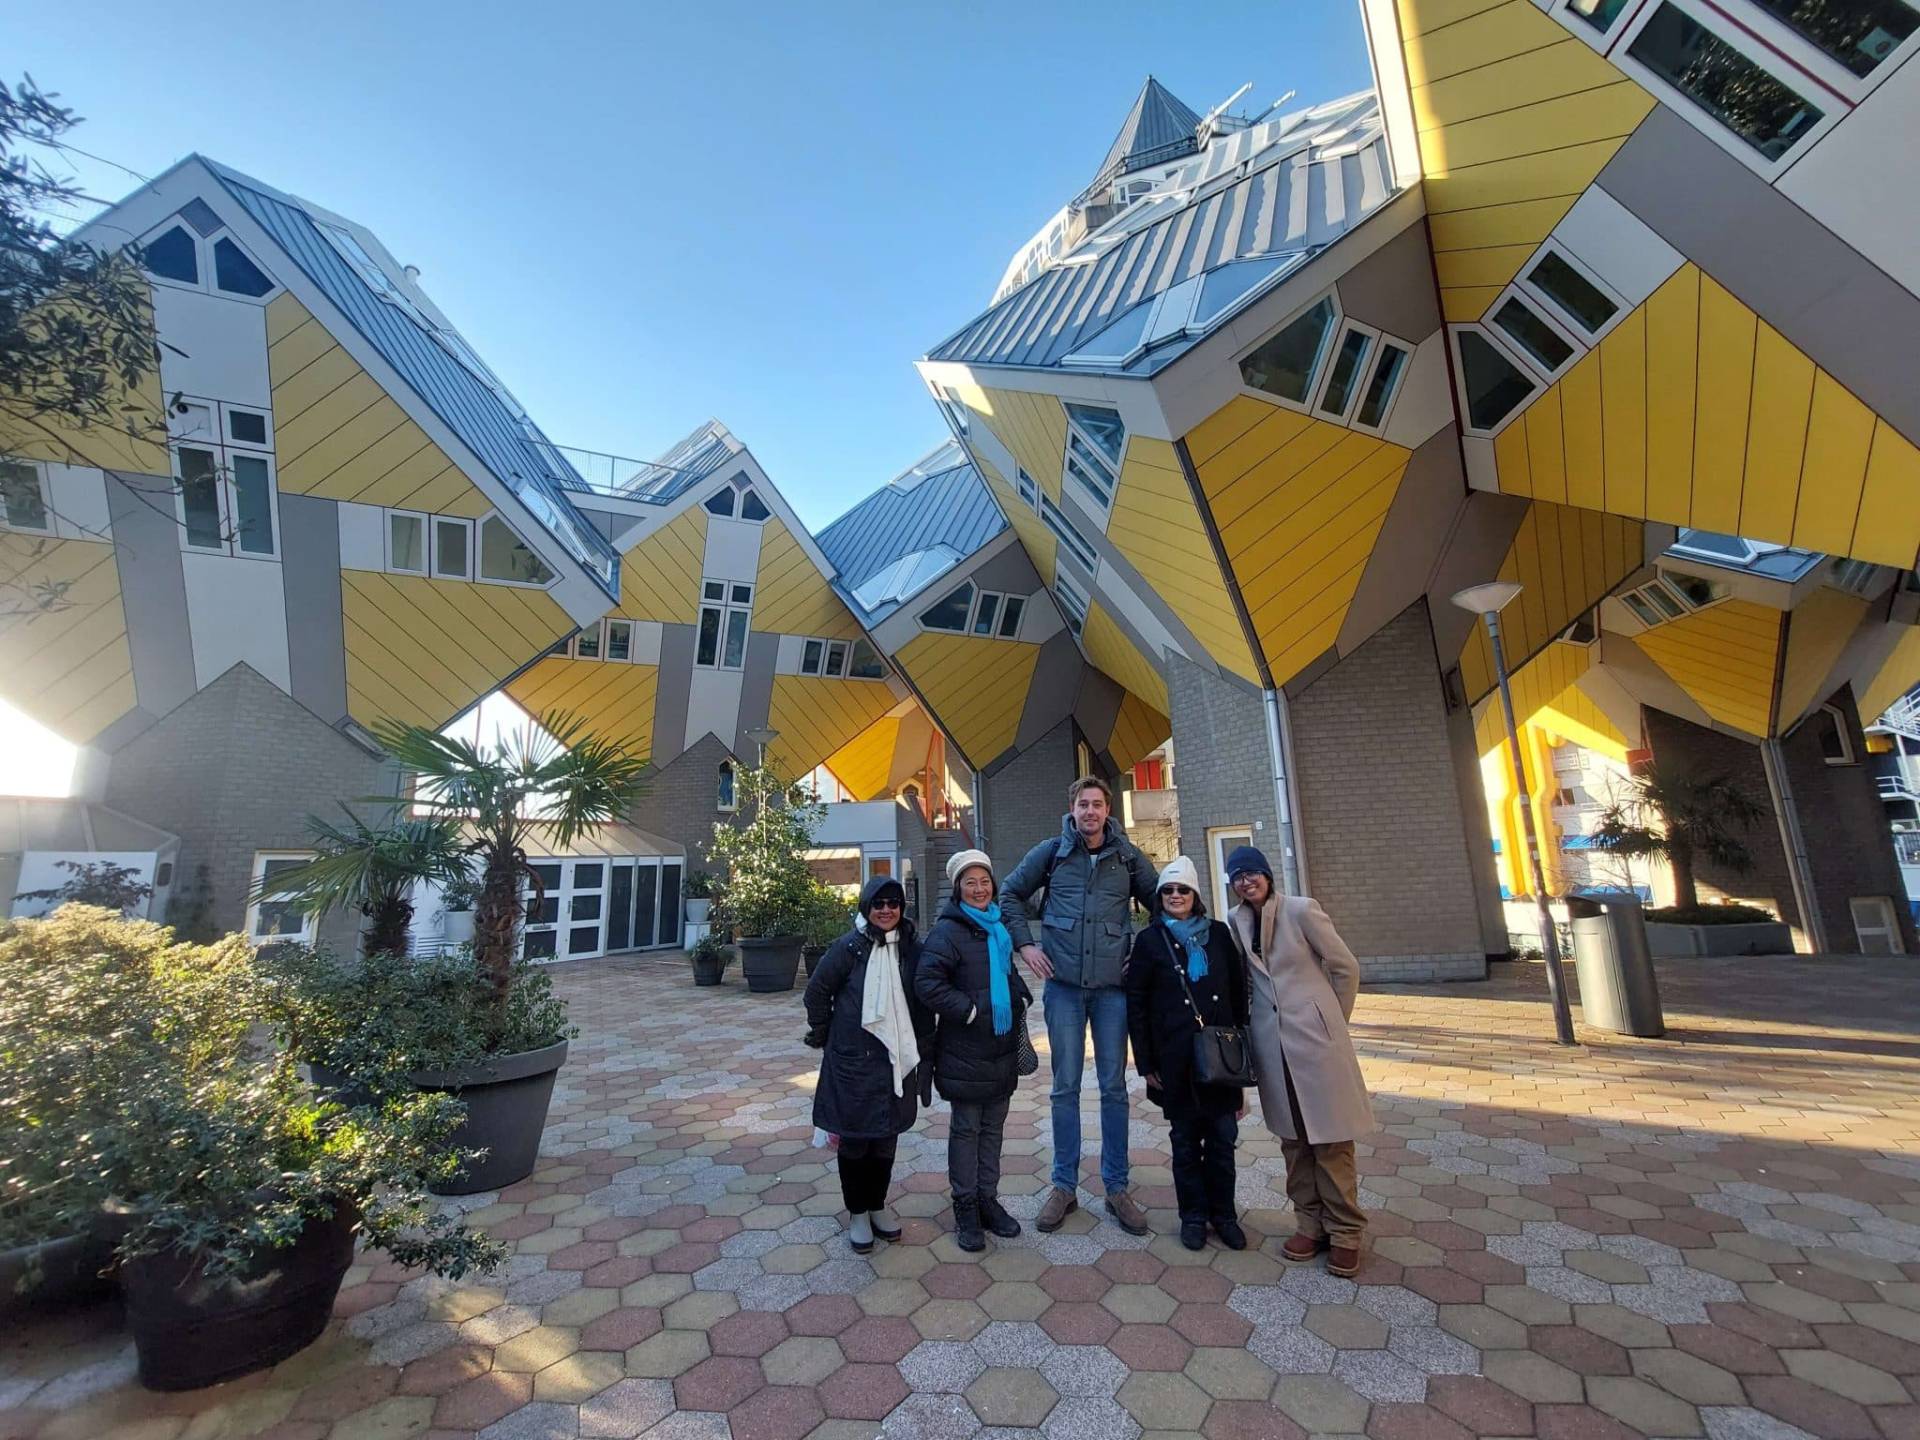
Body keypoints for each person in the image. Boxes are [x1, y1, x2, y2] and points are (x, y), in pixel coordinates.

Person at [1002, 776, 1158, 1236]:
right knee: (1064, 1088)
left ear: (1108, 810)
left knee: (1113, 1089)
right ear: (1071, 808)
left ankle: (1116, 1187)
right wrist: (1025, 946)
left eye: (1097, 805)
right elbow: (1009, 894)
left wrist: (1142, 951)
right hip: (1065, 990)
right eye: (1083, 804)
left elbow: (1165, 903)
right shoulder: (1050, 853)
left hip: (1113, 992)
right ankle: (1063, 1186)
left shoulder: (1127, 857)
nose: (1090, 811)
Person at [1223, 845, 1375, 1278]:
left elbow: (1345, 967)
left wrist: (1330, 1019)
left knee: (1330, 1137)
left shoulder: (1301, 910)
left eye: (1252, 872)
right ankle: (1310, 1224)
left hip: (1315, 1042)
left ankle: (1345, 1231)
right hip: (1272, 1045)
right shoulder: (1237, 921)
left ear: (1267, 874)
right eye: (1238, 876)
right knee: (1293, 1139)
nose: (1246, 881)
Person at [803, 875, 936, 1254]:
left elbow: (924, 998)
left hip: (895, 1060)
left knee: (885, 1139)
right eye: (878, 904)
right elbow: (817, 992)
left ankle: (877, 1205)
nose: (886, 910)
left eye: (893, 903)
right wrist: (827, 1034)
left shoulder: (911, 948)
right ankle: (857, 1211)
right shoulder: (849, 948)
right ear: (866, 907)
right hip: (854, 1063)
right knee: (856, 1139)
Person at [1124, 856, 1250, 1252]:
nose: (1175, 896)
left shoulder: (1218, 935)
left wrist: (1244, 1055)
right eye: (1168, 891)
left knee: (1222, 1140)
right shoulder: (1149, 940)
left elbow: (1237, 995)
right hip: (1174, 1059)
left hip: (1219, 1057)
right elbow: (1137, 1006)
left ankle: (1224, 1215)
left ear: (1196, 896)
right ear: (1159, 898)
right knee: (1183, 1142)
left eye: (1183, 890)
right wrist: (1145, 1063)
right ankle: (1193, 1216)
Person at [915, 849, 1033, 1252]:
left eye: (984, 881)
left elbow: (1005, 973)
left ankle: (988, 1200)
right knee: (967, 1129)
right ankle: (965, 1205)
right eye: (971, 882)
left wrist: (1018, 995)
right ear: (958, 889)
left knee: (994, 1129)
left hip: (999, 1048)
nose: (979, 889)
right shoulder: (948, 932)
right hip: (964, 1050)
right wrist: (969, 1009)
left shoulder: (998, 927)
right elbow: (927, 983)